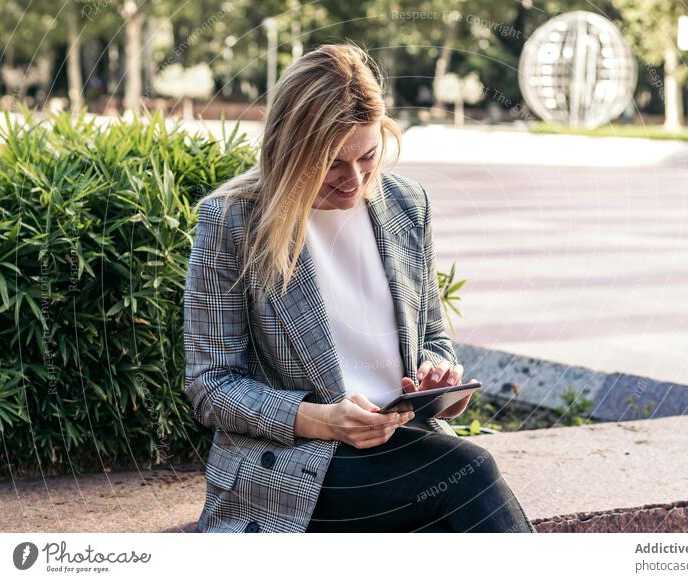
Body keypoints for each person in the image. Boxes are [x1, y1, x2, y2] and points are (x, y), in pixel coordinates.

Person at [184, 42, 536, 533]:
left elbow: (432, 338)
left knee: (460, 486)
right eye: (332, 163)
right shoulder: (234, 223)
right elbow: (211, 385)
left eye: (367, 156)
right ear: (290, 152)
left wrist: (440, 382)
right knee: (469, 472)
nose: (354, 180)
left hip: (404, 442)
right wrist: (321, 419)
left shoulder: (406, 205)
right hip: (292, 466)